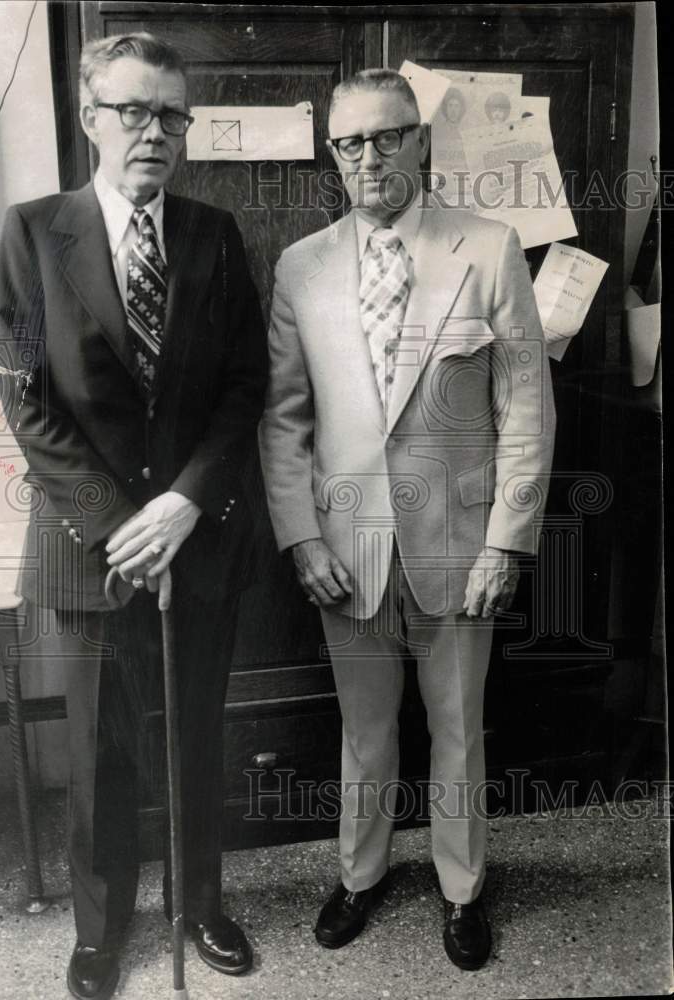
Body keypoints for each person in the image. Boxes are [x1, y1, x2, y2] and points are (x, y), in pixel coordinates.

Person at [259, 69, 555, 971]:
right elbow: (284, 418)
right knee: (365, 730)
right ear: (332, 154)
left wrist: (508, 539)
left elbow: (526, 405)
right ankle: (361, 873)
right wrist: (301, 535)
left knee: (459, 728)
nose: (368, 157)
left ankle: (462, 890)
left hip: (461, 547)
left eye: (387, 136)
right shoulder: (300, 266)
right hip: (345, 549)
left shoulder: (490, 246)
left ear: (420, 140)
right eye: (349, 142)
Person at [0, 32, 267, 999]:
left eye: (172, 114)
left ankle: (200, 903)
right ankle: (100, 931)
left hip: (197, 537)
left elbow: (244, 389)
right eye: (134, 111)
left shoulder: (214, 235)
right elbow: (26, 398)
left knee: (196, 730)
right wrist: (122, 523)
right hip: (89, 544)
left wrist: (184, 502)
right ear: (89, 118)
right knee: (103, 751)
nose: (156, 132)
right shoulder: (30, 234)